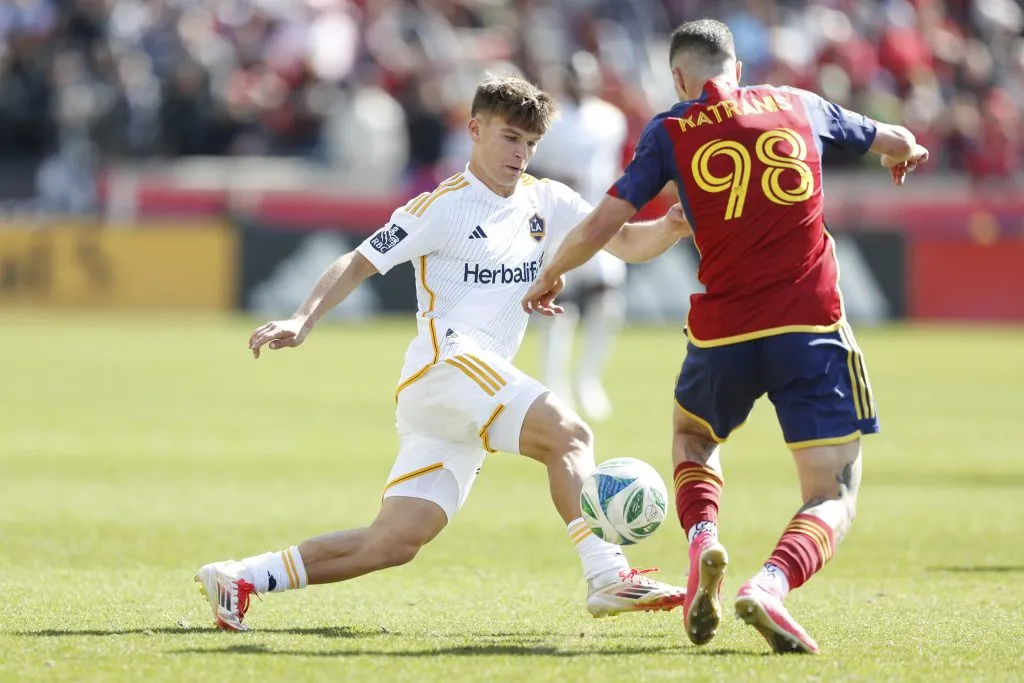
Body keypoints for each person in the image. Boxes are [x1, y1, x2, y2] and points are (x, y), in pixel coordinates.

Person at [194, 75, 692, 632]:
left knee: (393, 542)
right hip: (447, 365)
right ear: (475, 130)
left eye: (530, 142)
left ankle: (241, 577)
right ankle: (608, 574)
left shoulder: (546, 200)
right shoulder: (443, 206)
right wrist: (302, 318)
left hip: (457, 398)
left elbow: (624, 243)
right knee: (570, 435)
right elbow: (358, 260)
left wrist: (671, 227)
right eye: (510, 138)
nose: (521, 153)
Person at [522, 19, 929, 655]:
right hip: (810, 326)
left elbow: (606, 221)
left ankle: (703, 538)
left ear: (680, 77)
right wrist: (905, 152)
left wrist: (551, 274)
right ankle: (770, 583)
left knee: (692, 436)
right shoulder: (800, 104)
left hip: (725, 331)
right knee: (832, 491)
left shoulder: (672, 129)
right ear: (737, 64)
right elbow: (894, 137)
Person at [529, 56, 630, 422]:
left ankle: (589, 379)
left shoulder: (610, 119)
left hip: (601, 218)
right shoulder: (549, 121)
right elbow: (528, 164)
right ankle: (553, 383)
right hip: (560, 222)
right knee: (560, 304)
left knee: (608, 300)